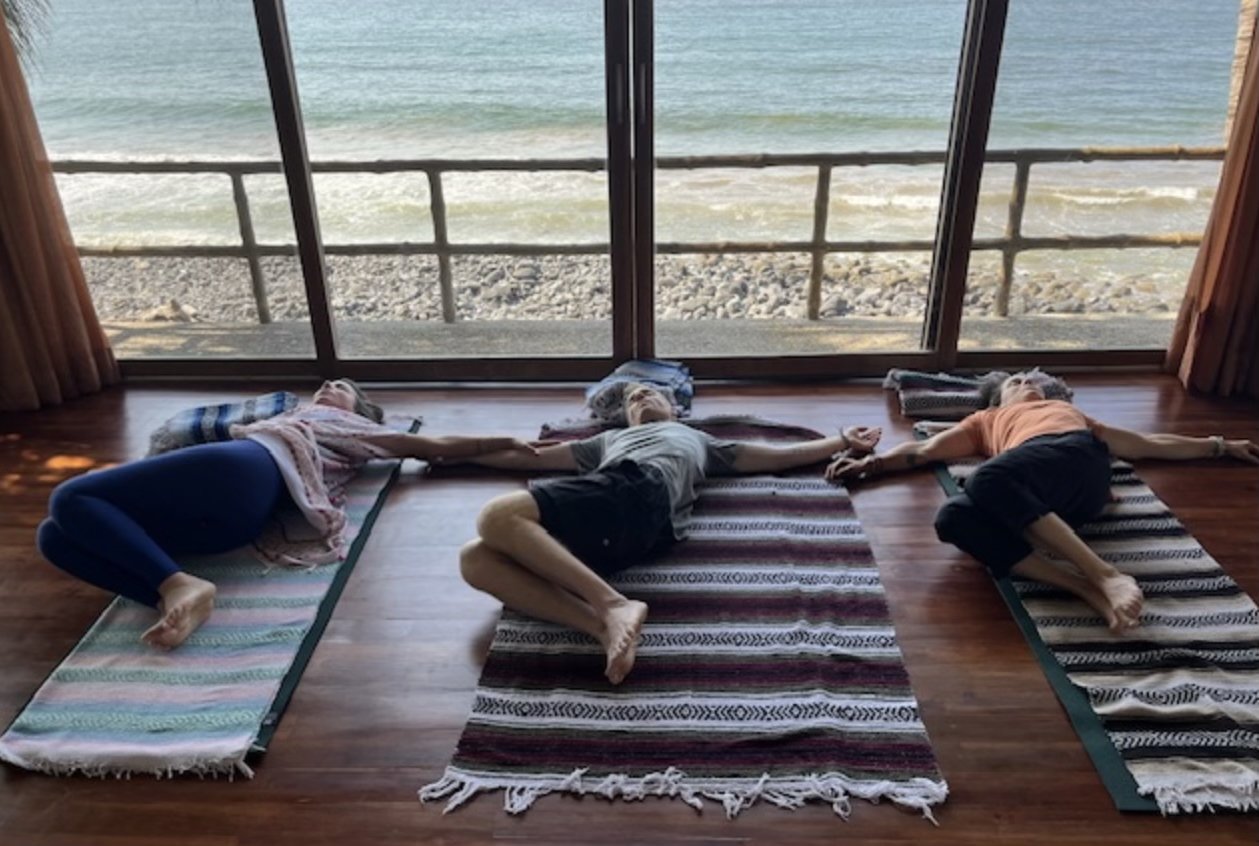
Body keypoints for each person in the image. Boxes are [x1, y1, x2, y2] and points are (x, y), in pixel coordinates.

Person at [37, 380, 537, 650]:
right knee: (54, 538)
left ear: (358, 409)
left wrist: (502, 440)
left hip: (245, 466)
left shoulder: (348, 425)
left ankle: (176, 583)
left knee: (70, 498)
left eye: (339, 386)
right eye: (324, 386)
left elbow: (431, 445)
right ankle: (175, 595)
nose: (325, 388)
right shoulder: (311, 421)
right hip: (235, 522)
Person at [454, 383, 882, 685]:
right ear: (624, 418)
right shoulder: (607, 441)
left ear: (675, 410)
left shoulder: (696, 438)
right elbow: (527, 458)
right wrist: (451, 454)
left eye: (649, 392)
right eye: (631, 399)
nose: (639, 396)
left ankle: (614, 603)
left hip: (643, 490)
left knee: (496, 515)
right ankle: (602, 627)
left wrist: (841, 441)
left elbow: (778, 456)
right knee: (474, 559)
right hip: (617, 528)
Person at [826, 371, 1259, 633]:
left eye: (1034, 380)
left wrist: (1219, 445)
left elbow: (1148, 444)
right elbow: (923, 451)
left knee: (986, 478)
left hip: (1080, 466)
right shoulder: (984, 421)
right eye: (1015, 382)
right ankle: (1086, 588)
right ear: (999, 399)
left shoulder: (1070, 414)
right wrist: (870, 465)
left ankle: (1107, 574)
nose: (1028, 383)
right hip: (1042, 505)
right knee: (953, 518)